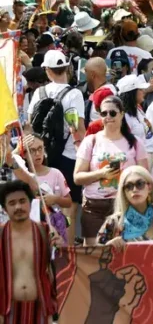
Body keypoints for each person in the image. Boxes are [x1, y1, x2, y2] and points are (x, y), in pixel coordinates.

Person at [27, 48, 86, 242]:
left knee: (41, 204)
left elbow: (29, 125)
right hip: (69, 155)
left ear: (47, 70)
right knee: (70, 206)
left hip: (41, 155)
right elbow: (77, 126)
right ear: (67, 68)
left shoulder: (38, 92)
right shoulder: (74, 93)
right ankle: (67, 251)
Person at [73, 95, 148, 244]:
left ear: (121, 114)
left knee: (126, 255)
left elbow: (144, 176)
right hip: (95, 206)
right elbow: (77, 177)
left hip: (125, 205)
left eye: (112, 113)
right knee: (94, 256)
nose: (108, 117)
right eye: (104, 113)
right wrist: (101, 174)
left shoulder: (135, 142)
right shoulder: (91, 141)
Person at [0, 180, 58, 323]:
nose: (18, 207)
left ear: (30, 203)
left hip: (41, 309)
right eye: (12, 203)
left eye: (22, 201)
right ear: (4, 209)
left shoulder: (45, 231)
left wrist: (60, 247)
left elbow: (66, 264)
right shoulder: (0, 234)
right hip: (7, 311)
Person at [96, 165, 153, 248]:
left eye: (139, 184)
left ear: (149, 187)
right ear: (124, 192)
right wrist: (109, 246)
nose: (135, 190)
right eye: (129, 186)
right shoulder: (114, 222)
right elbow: (94, 255)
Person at [17, 134, 72, 246]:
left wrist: (55, 199)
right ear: (24, 154)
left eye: (40, 148)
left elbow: (69, 202)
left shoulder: (56, 173)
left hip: (54, 227)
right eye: (32, 150)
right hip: (29, 227)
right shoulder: (20, 176)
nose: (37, 153)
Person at [117, 73, 153, 158]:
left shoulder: (139, 109)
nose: (144, 92)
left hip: (150, 155)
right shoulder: (123, 117)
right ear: (132, 93)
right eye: (140, 89)